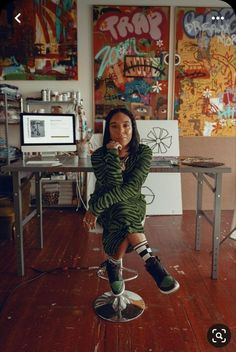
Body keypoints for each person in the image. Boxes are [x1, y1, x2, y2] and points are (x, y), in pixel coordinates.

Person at [83, 108, 179, 296]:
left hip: (129, 202)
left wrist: (94, 209)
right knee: (122, 210)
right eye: (114, 126)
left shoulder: (143, 152)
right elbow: (112, 184)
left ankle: (114, 265)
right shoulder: (98, 155)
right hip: (108, 204)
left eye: (126, 125)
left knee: (123, 207)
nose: (121, 132)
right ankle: (151, 262)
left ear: (133, 127)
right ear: (108, 130)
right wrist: (111, 154)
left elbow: (130, 189)